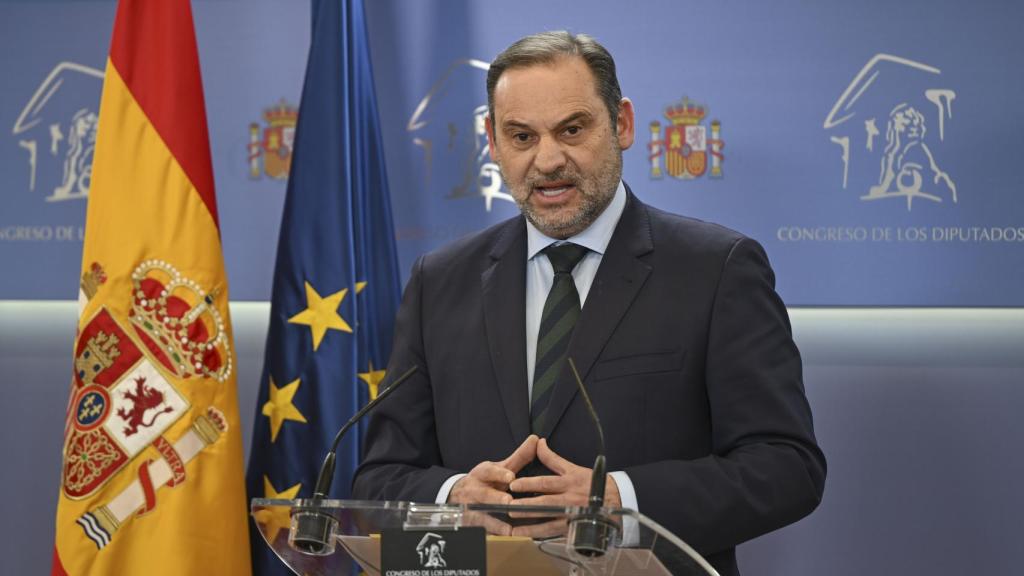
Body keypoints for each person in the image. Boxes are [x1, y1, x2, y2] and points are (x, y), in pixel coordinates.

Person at [353, 30, 826, 575]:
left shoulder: (716, 270)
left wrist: (622, 500)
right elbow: (379, 476)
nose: (548, 160)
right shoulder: (439, 281)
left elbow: (787, 466)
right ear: (493, 143)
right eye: (521, 136)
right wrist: (453, 495)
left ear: (622, 124)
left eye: (572, 130)